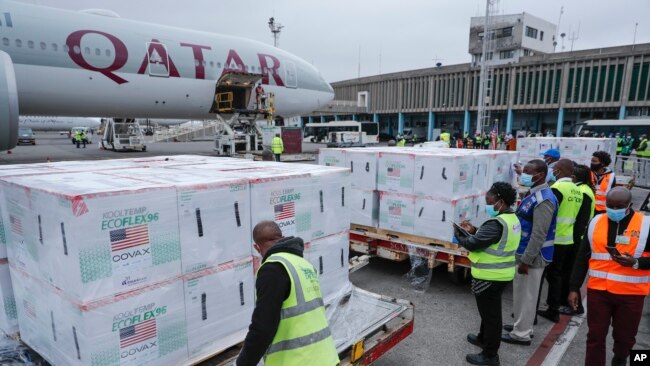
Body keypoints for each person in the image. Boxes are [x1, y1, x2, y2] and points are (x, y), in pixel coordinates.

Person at [237, 221, 339, 366]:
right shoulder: (303, 264)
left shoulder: (272, 268)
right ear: (281, 237)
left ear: (257, 247)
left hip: (298, 361)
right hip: (327, 357)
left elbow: (263, 327)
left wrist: (243, 363)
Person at [568, 188, 650, 366]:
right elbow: (583, 256)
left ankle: (620, 359)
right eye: (610, 205)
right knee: (595, 337)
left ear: (630, 205)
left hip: (631, 294)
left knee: (625, 339)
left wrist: (636, 262)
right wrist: (574, 287)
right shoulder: (596, 221)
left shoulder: (646, 225)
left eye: (619, 206)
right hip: (598, 292)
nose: (613, 209)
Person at [456, 182, 521, 366]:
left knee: (491, 316)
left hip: (490, 276)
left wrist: (460, 236)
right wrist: (474, 231)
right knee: (488, 313)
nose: (487, 202)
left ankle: (490, 355)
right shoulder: (510, 219)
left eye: (489, 200)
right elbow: (492, 239)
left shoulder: (497, 223)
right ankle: (483, 338)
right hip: (501, 274)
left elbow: (474, 244)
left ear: (500, 201)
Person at [502, 159, 558, 346]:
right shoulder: (535, 193)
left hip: (533, 257)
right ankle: (520, 325)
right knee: (520, 294)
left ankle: (522, 334)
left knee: (527, 295)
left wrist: (526, 260)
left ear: (540, 175)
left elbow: (539, 233)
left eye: (527, 171)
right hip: (524, 252)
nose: (523, 174)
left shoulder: (544, 199)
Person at [537, 159, 582, 323]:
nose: (553, 172)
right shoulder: (576, 189)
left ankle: (533, 309)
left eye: (554, 169)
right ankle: (553, 309)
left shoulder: (558, 188)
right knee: (556, 275)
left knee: (540, 275)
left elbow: (548, 213)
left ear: (558, 171)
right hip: (566, 238)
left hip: (552, 239)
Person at [558, 164, 595, 316]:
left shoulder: (584, 192)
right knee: (567, 271)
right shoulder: (583, 189)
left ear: (575, 177)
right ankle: (566, 301)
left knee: (571, 272)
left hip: (578, 238)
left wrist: (574, 239)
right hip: (576, 236)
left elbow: (581, 219)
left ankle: (576, 306)